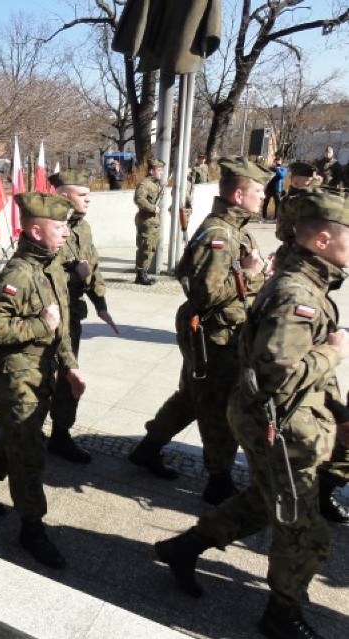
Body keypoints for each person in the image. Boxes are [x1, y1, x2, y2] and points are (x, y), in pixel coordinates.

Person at [154, 189, 349, 639]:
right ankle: (281, 616)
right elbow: (277, 374)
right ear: (321, 240)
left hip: (286, 416)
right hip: (279, 424)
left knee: (264, 501)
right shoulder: (296, 294)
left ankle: (183, 548)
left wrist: (336, 410)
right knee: (305, 534)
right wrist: (333, 353)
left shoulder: (311, 283)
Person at [129, 157, 270, 504]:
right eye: (257, 190)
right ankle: (218, 479)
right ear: (238, 195)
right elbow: (204, 294)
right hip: (215, 337)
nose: (264, 195)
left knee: (193, 397)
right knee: (219, 404)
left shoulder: (236, 228)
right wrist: (251, 274)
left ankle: (148, 449)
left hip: (224, 332)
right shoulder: (220, 234)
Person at [0, 192, 86, 568]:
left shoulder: (52, 267)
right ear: (35, 229)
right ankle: (32, 528)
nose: (66, 233)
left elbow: (59, 326)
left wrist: (69, 365)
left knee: (18, 439)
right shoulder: (17, 274)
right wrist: (37, 325)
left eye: (66, 226)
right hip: (17, 381)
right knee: (29, 453)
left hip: (43, 375)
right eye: (59, 227)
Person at [48, 170, 119, 463]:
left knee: (67, 375)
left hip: (72, 314)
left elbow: (93, 265)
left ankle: (60, 434)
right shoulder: (49, 225)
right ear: (64, 196)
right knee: (46, 375)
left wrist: (100, 303)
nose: (89, 199)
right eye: (82, 195)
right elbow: (39, 271)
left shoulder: (83, 227)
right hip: (49, 314)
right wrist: (71, 272)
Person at [274, 162, 318, 270]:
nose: (312, 183)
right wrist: (314, 186)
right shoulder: (289, 200)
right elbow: (305, 202)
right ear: (296, 182)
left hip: (303, 255)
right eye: (309, 181)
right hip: (291, 256)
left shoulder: (306, 197)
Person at [133, 159, 165, 285]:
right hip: (146, 220)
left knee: (151, 248)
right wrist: (153, 208)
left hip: (153, 221)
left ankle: (144, 273)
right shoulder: (145, 184)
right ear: (152, 170)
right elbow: (139, 199)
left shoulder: (156, 184)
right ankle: (140, 275)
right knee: (145, 247)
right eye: (159, 170)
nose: (161, 173)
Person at [262, 156, 287, 221]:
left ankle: (276, 217)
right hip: (269, 188)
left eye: (278, 163)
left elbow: (281, 176)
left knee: (277, 203)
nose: (277, 164)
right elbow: (266, 177)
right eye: (276, 162)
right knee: (266, 202)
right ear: (274, 162)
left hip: (277, 188)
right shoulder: (270, 169)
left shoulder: (283, 169)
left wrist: (278, 168)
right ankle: (263, 217)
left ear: (281, 163)